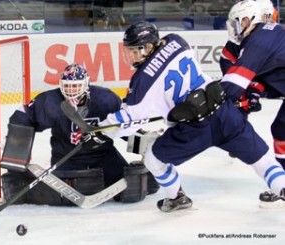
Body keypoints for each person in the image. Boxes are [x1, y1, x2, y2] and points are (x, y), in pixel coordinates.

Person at [97, 20, 285, 212]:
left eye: (135, 51)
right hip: (225, 113)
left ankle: (176, 198)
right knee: (263, 161)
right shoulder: (176, 41)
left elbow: (130, 118)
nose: (131, 56)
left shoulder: (142, 80)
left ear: (148, 47)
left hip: (194, 130)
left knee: (153, 158)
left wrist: (102, 131)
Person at [1, 63, 158, 206]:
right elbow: (23, 118)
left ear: (86, 84)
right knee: (60, 198)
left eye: (76, 86)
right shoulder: (51, 101)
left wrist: (142, 140)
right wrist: (17, 154)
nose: (71, 91)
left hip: (104, 156)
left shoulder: (105, 99)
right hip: (67, 158)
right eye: (67, 86)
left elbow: (123, 127)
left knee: (133, 191)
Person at [220, 0, 285, 207]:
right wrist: (253, 93)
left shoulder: (259, 40)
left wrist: (215, 104)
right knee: (281, 130)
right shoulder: (255, 40)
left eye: (241, 21)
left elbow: (237, 82)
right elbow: (261, 76)